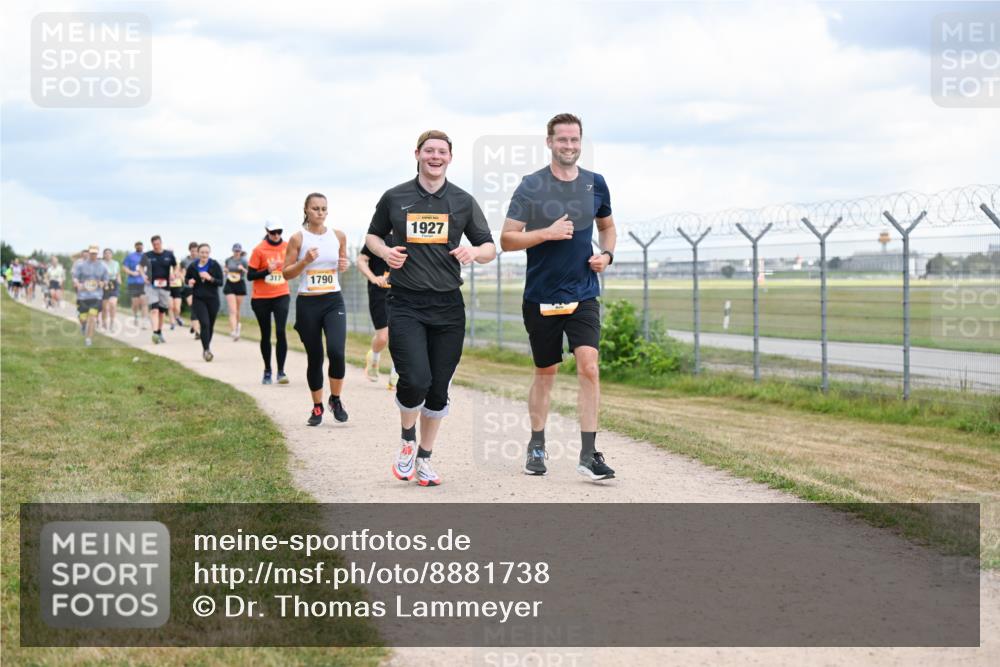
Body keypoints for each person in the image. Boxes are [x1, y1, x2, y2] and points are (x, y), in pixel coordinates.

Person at [366, 130, 496, 487]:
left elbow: (489, 247)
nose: (435, 157)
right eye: (429, 151)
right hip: (406, 302)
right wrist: (384, 252)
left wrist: (474, 252)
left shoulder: (462, 201)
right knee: (415, 380)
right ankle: (407, 442)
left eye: (442, 152)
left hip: (448, 306)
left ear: (450, 158)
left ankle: (424, 457)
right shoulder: (396, 197)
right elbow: (372, 236)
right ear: (417, 154)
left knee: (438, 388)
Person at [500, 113, 617, 481]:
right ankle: (536, 445)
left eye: (575, 140)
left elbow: (608, 227)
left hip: (583, 293)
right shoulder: (531, 185)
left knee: (589, 367)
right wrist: (546, 233)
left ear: (581, 142)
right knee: (546, 373)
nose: (569, 146)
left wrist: (607, 256)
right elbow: (507, 239)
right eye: (562, 140)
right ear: (549, 142)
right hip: (542, 296)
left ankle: (588, 454)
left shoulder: (595, 184)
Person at [283, 193, 350, 427]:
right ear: (306, 210)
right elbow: (286, 273)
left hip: (333, 300)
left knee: (337, 351)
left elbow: (341, 263)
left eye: (323, 209)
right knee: (315, 357)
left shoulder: (338, 236)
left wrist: (344, 264)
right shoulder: (297, 238)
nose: (320, 213)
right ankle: (317, 406)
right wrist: (304, 262)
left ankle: (336, 399)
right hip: (308, 302)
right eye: (315, 209)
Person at [248, 220, 291, 385]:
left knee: (280, 331)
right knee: (265, 334)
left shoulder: (287, 246)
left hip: (281, 294)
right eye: (273, 232)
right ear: (267, 231)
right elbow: (250, 276)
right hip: (261, 298)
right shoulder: (259, 250)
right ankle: (267, 370)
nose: (276, 235)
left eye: (279, 231)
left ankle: (281, 371)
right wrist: (267, 270)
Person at [357, 230, 398, 388]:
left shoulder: (408, 236)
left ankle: (397, 372)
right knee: (382, 337)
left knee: (401, 334)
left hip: (401, 293)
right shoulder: (377, 238)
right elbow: (361, 260)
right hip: (379, 294)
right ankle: (373, 358)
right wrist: (374, 278)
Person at [184, 243, 223, 361]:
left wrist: (209, 278)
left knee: (210, 325)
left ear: (209, 253)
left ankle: (207, 347)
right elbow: (186, 278)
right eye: (202, 252)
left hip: (213, 299)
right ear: (198, 253)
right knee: (204, 323)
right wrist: (189, 281)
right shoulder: (193, 266)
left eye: (206, 252)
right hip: (198, 299)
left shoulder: (214, 265)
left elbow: (220, 282)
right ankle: (206, 350)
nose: (204, 254)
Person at [140, 235, 178, 344]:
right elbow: (141, 267)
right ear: (152, 244)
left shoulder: (169, 255)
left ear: (161, 243)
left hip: (165, 286)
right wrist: (143, 276)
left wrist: (174, 274)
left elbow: (175, 266)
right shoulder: (147, 255)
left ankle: (159, 332)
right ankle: (155, 333)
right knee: (154, 309)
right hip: (151, 286)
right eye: (154, 244)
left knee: (161, 312)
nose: (156, 246)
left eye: (158, 244)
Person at [72, 245, 110, 347]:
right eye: (92, 253)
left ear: (98, 254)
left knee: (92, 317)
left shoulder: (102, 266)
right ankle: (83, 325)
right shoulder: (81, 265)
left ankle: (88, 339)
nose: (93, 255)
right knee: (83, 318)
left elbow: (106, 279)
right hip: (83, 296)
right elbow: (75, 277)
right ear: (89, 253)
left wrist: (103, 283)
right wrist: (77, 284)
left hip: (96, 296)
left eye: (95, 253)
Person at [224, 243, 249, 341]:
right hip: (230, 283)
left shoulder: (244, 261)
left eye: (238, 251)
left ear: (241, 251)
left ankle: (238, 327)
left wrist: (242, 269)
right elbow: (225, 270)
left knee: (237, 310)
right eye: (235, 251)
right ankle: (233, 331)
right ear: (233, 250)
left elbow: (249, 273)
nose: (237, 252)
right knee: (232, 310)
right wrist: (225, 270)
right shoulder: (228, 260)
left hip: (240, 284)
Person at [122, 241, 148, 328]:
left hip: (144, 282)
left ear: (143, 247)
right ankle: (135, 316)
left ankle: (144, 321)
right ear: (135, 247)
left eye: (141, 246)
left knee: (144, 301)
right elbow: (124, 267)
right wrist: (132, 272)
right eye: (138, 246)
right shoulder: (130, 256)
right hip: (133, 282)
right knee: (135, 303)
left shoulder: (146, 256)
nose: (139, 247)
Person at [180, 242, 199, 337]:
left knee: (199, 308)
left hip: (199, 288)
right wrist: (187, 281)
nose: (194, 253)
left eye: (196, 251)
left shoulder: (201, 260)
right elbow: (182, 274)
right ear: (189, 250)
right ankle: (197, 332)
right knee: (194, 307)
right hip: (188, 288)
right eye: (192, 251)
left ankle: (193, 325)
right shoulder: (185, 261)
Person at [100, 248, 121, 331]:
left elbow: (118, 273)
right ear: (104, 255)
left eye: (109, 253)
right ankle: (104, 324)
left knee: (113, 304)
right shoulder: (101, 264)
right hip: (104, 284)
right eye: (106, 253)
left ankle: (112, 324)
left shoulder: (116, 263)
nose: (108, 255)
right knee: (105, 307)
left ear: (112, 255)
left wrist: (119, 279)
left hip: (114, 284)